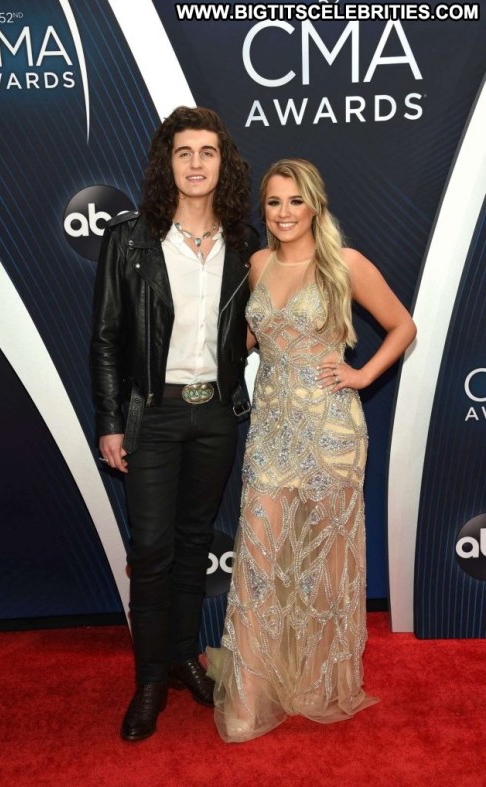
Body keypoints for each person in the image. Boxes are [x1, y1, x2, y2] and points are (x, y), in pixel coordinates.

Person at [208, 158, 416, 742]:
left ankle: (316, 683)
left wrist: (362, 374)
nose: (284, 213)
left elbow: (403, 326)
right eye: (274, 202)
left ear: (315, 206)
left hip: (331, 434)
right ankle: (249, 695)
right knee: (258, 561)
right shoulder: (257, 264)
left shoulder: (345, 264)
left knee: (324, 566)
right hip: (272, 431)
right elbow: (249, 338)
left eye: (295, 201)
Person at [90, 106, 259, 742]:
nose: (195, 163)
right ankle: (149, 681)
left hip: (216, 413)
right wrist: (111, 421)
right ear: (168, 163)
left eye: (206, 152)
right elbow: (106, 338)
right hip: (151, 416)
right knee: (152, 550)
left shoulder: (244, 243)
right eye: (183, 152)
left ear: (223, 164)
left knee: (194, 544)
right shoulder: (130, 239)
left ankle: (186, 657)